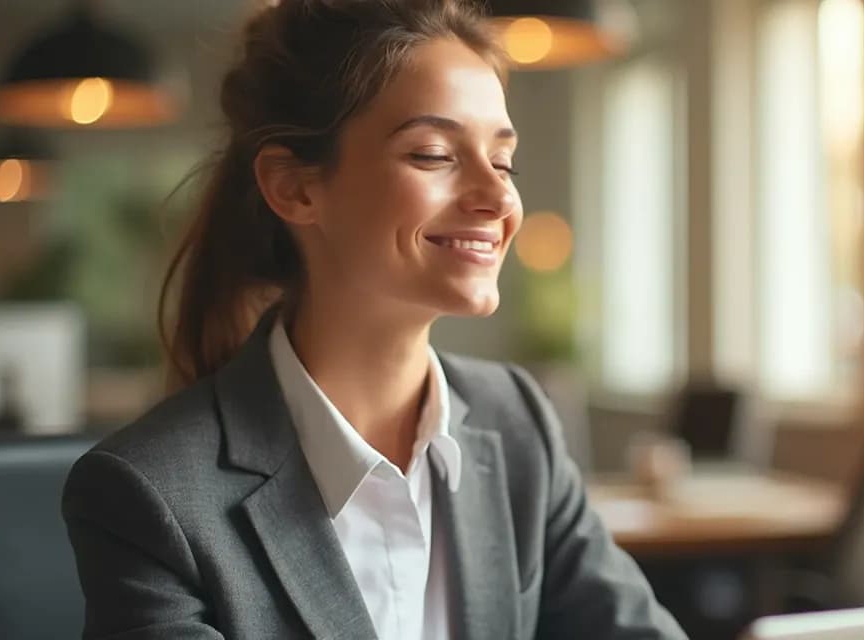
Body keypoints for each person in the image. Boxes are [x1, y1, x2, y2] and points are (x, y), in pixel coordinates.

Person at [59, 0, 686, 638]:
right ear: (294, 187)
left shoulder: (517, 423)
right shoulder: (150, 494)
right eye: (434, 155)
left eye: (503, 162)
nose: (499, 197)